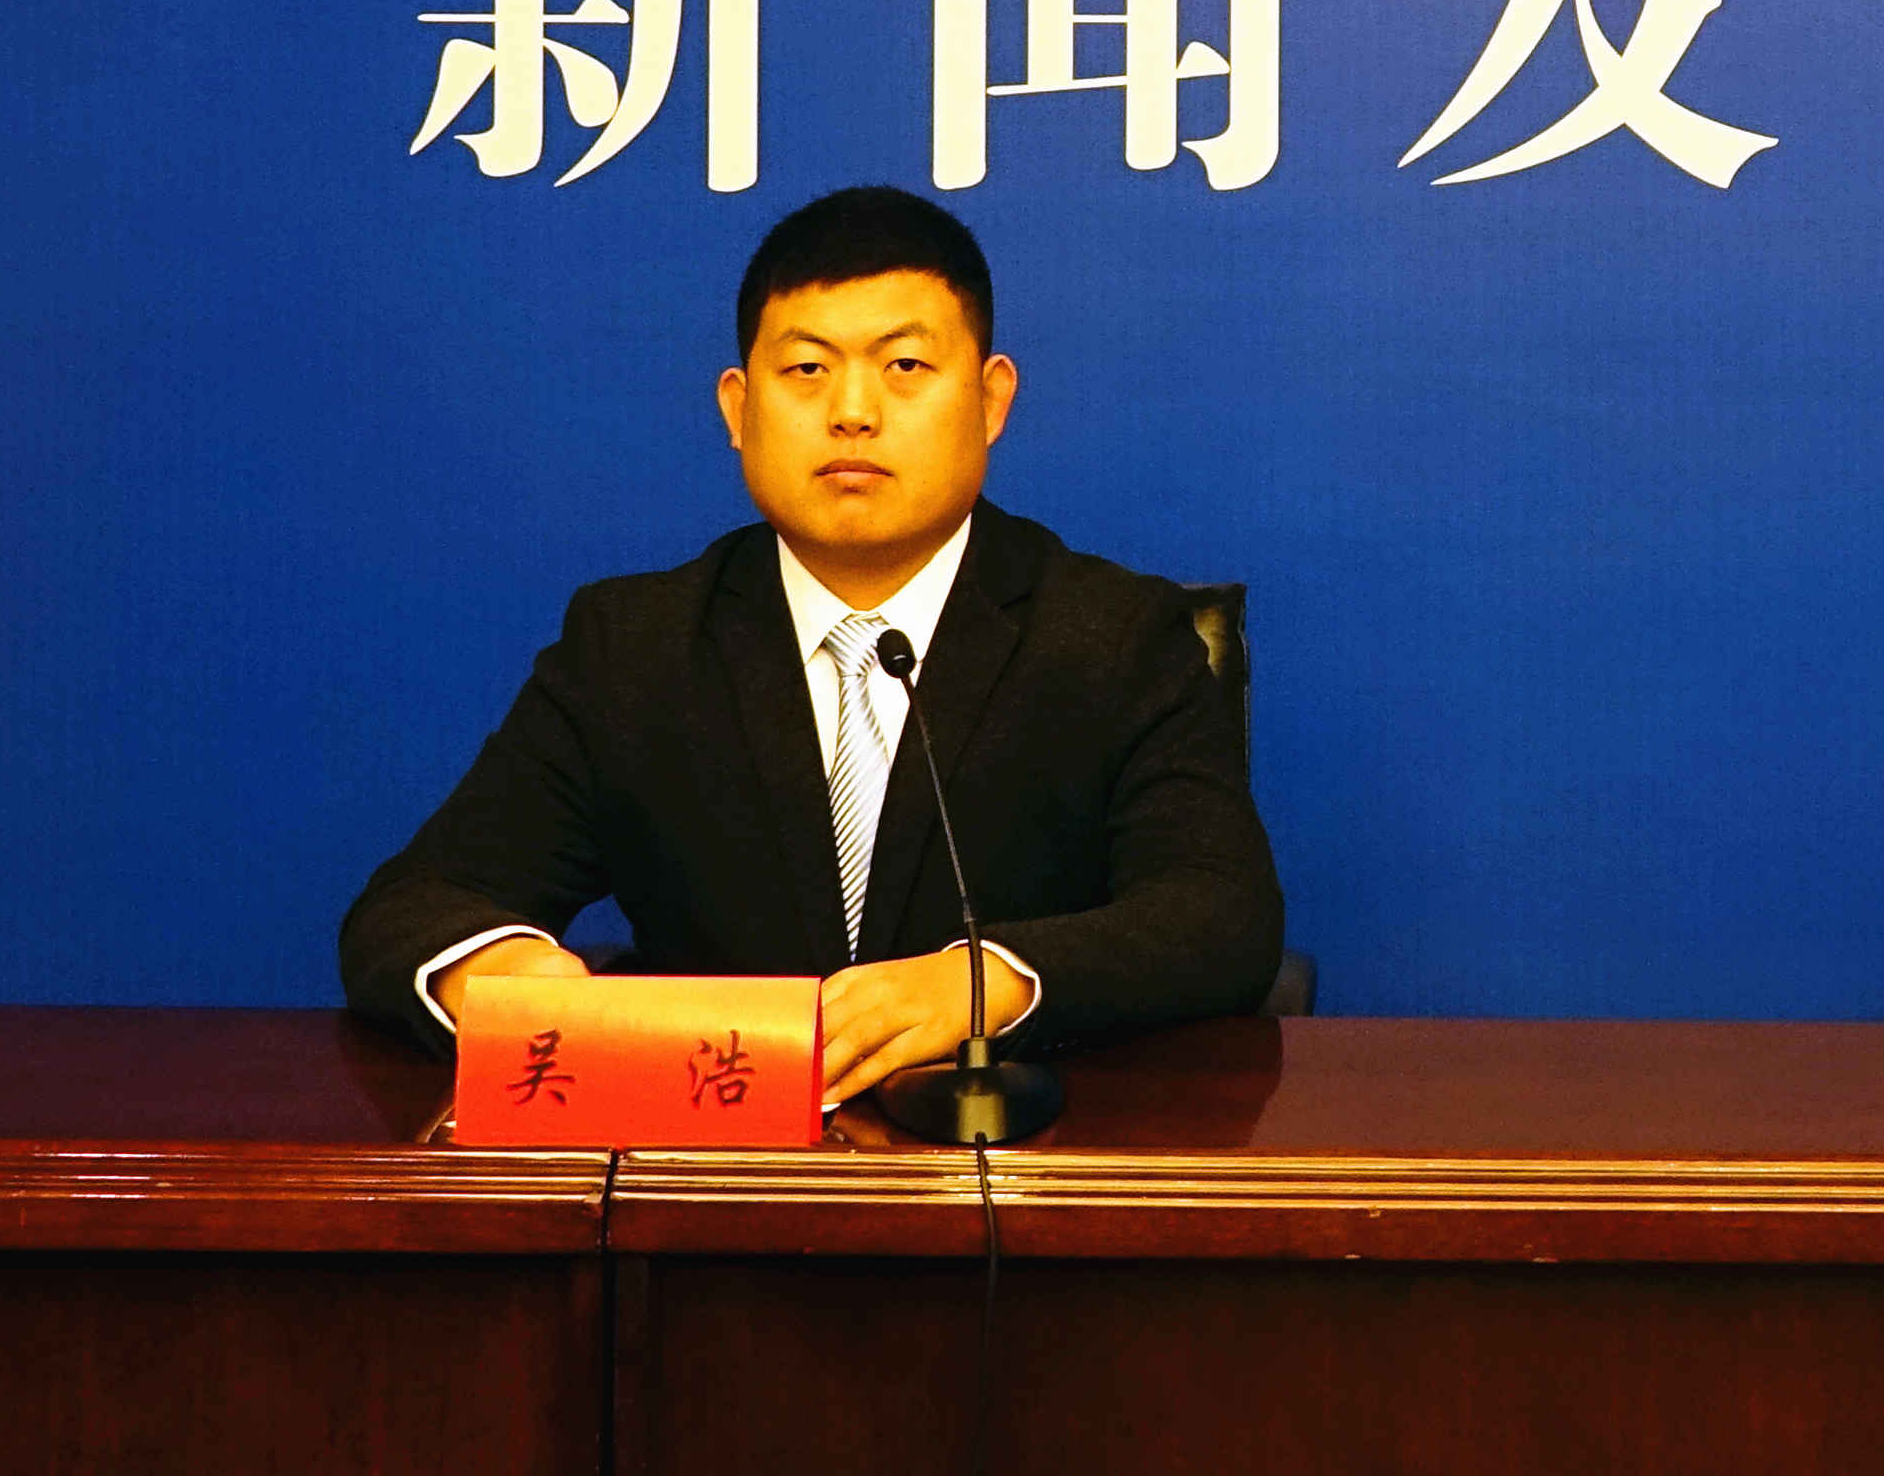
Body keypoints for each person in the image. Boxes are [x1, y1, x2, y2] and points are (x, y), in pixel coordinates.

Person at [342, 185, 1282, 1104]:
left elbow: (1220, 914)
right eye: (806, 370)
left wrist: (991, 980)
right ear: (737, 408)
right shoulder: (635, 647)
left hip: (1017, 1162)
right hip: (716, 1172)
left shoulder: (1112, 636)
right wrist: (499, 969)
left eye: (904, 365)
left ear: (991, 400)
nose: (852, 411)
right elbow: (414, 904)